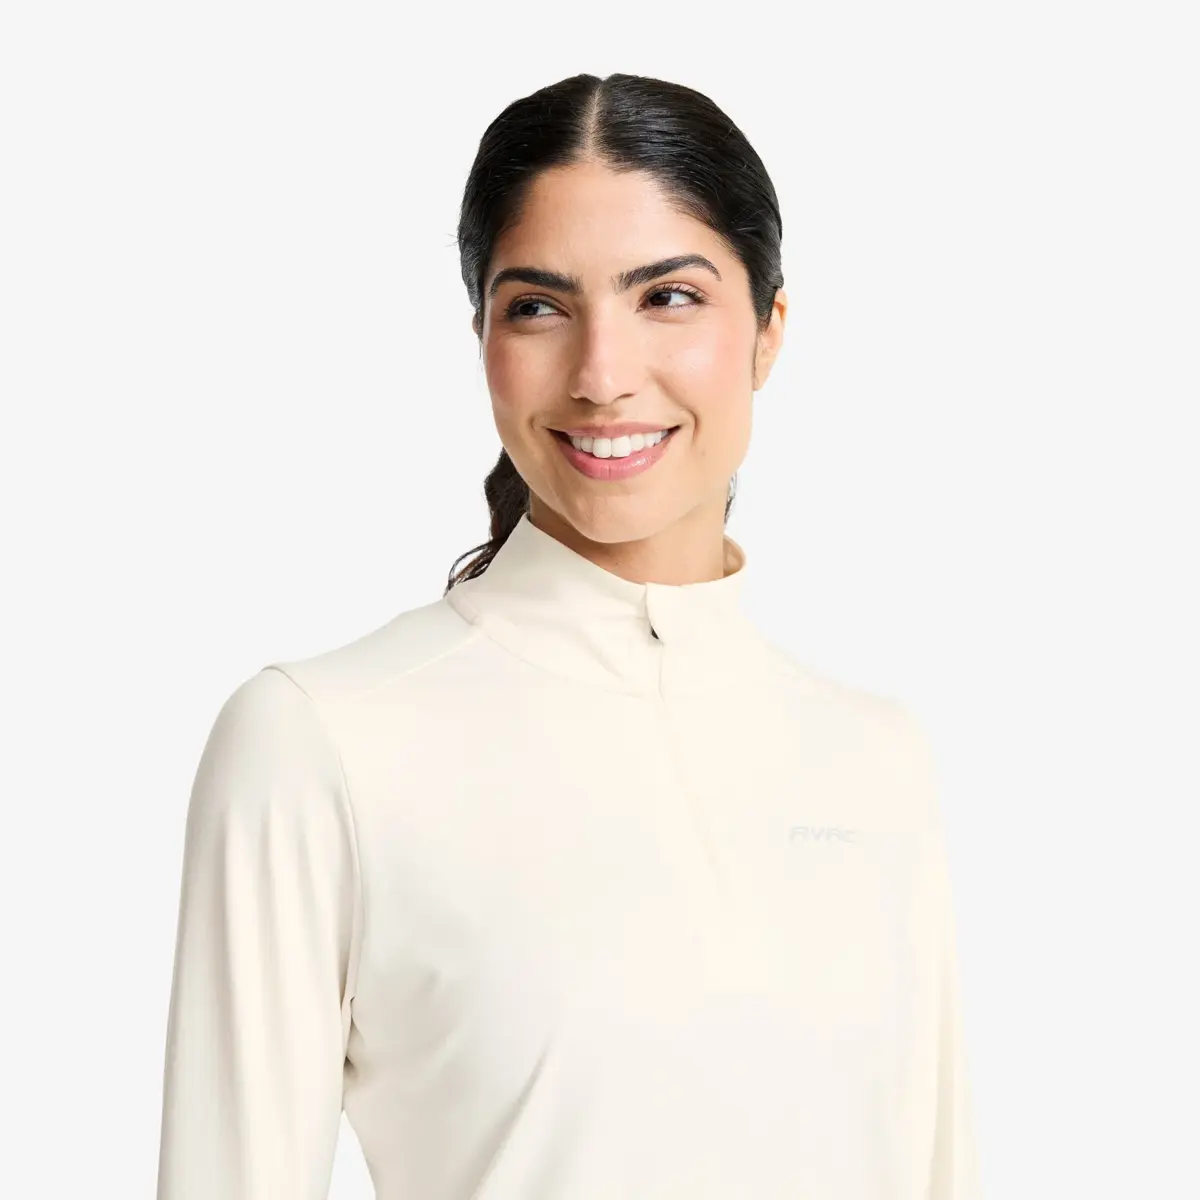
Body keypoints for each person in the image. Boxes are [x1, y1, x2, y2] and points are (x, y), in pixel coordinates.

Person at [155, 71, 981, 1199]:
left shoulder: (874, 757)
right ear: (483, 336)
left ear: (768, 332)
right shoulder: (318, 742)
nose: (601, 377)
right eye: (538, 307)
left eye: (669, 297)